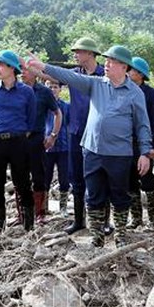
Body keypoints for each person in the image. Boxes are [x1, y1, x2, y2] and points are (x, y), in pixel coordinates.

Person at [27, 45, 152, 248]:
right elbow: (68, 76)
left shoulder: (135, 93)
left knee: (119, 196)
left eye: (111, 62)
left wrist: (145, 153)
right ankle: (97, 237)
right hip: (92, 150)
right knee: (93, 195)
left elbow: (143, 125)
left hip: (119, 154)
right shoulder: (96, 84)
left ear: (124, 67)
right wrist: (44, 66)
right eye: (107, 61)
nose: (107, 65)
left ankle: (120, 235)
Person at [0, 50, 37, 231]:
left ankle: (28, 226)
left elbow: (31, 118)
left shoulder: (27, 92)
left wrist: (20, 134)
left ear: (12, 68)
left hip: (18, 142)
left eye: (1, 64)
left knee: (22, 183)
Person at [60, 37, 105, 235]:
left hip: (100, 134)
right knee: (76, 177)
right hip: (76, 132)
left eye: (78, 52)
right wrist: (31, 66)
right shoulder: (74, 74)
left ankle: (104, 222)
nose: (75, 55)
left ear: (89, 53)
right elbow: (50, 76)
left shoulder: (105, 74)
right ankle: (79, 221)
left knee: (101, 177)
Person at [21, 64, 61, 224]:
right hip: (18, 139)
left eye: (25, 70)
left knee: (39, 176)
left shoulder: (44, 92)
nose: (22, 73)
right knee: (20, 176)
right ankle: (23, 212)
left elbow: (58, 113)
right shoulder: (16, 90)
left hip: (37, 139)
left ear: (35, 73)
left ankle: (40, 213)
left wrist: (53, 135)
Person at [127, 57, 154, 229]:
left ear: (140, 74)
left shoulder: (151, 94)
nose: (128, 72)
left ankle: (153, 219)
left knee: (147, 179)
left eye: (131, 70)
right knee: (130, 180)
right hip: (127, 143)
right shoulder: (124, 90)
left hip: (145, 143)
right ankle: (136, 219)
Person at [44, 82, 71, 217]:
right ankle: (44, 207)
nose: (53, 89)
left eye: (55, 87)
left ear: (60, 89)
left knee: (64, 179)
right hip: (46, 148)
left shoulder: (66, 106)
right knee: (45, 179)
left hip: (64, 147)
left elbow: (71, 125)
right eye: (50, 86)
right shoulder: (42, 105)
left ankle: (63, 208)